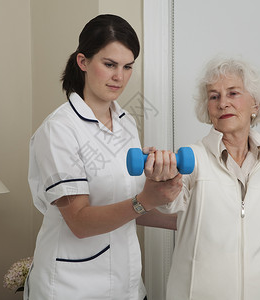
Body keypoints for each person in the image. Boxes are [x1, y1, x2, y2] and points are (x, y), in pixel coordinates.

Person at [25, 14, 183, 300]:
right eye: (109, 64)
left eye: (127, 67)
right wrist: (146, 199)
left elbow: (127, 206)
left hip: (127, 285)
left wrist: (182, 220)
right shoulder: (58, 130)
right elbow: (80, 222)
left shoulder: (126, 124)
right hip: (72, 288)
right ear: (83, 62)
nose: (119, 76)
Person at [160, 56, 260, 299]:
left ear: (255, 104)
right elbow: (167, 203)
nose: (223, 103)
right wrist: (161, 179)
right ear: (207, 107)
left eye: (233, 93)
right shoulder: (191, 159)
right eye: (214, 96)